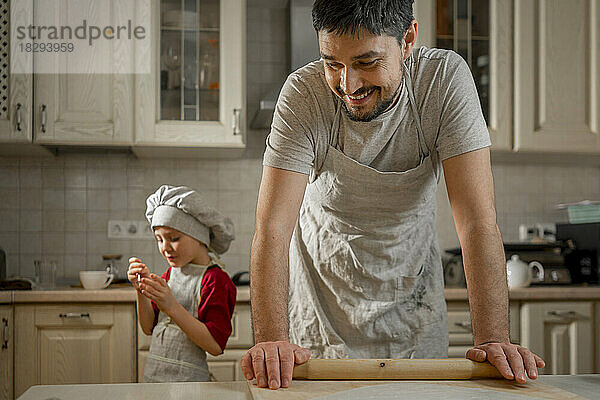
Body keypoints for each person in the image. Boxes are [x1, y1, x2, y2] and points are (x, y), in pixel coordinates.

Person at [241, 0, 545, 390]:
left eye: (367, 62)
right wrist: (270, 340)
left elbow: (477, 222)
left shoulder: (443, 82)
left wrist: (493, 339)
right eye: (332, 63)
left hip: (412, 312)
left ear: (408, 40)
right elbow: (272, 228)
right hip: (319, 318)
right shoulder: (305, 94)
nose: (347, 86)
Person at [128, 184, 237, 382]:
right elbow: (148, 328)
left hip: (189, 384)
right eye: (159, 239)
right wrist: (141, 290)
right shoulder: (171, 274)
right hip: (153, 379)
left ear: (199, 236)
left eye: (174, 238)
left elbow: (215, 346)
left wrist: (171, 307)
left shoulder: (215, 280)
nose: (165, 248)